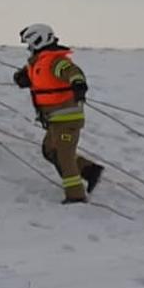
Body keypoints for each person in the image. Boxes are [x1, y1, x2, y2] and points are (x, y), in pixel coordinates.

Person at [12, 24, 103, 204]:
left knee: (64, 155)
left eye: (30, 43)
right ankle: (89, 170)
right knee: (49, 151)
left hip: (67, 118)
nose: (29, 48)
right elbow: (36, 79)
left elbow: (73, 72)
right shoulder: (39, 62)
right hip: (54, 119)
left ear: (39, 40)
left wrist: (78, 85)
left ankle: (75, 196)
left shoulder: (56, 61)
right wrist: (22, 77)